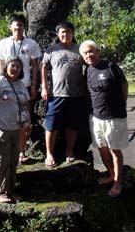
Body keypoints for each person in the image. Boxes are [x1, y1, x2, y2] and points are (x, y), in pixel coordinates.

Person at [79, 39, 128, 198]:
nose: (89, 55)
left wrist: (121, 103)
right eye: (85, 53)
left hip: (114, 117)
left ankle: (118, 182)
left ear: (98, 51)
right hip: (96, 117)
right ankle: (111, 175)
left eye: (91, 51)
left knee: (115, 150)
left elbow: (124, 85)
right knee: (102, 148)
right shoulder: (87, 71)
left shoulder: (111, 67)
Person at [0, 13, 41, 163]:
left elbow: (35, 67)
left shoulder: (31, 44)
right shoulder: (3, 43)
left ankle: (21, 152)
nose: (18, 28)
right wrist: (0, 82)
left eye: (21, 25)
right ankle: (6, 151)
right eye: (15, 25)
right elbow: (0, 63)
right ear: (10, 27)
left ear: (24, 27)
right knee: (6, 119)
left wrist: (34, 87)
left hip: (24, 86)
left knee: (23, 120)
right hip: (6, 86)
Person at [0, 56, 30, 203]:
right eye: (12, 66)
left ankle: (11, 191)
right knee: (2, 161)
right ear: (6, 67)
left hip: (17, 129)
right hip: (1, 128)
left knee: (13, 161)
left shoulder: (21, 85)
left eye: (18, 66)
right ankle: (1, 191)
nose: (15, 69)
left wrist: (27, 123)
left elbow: (25, 104)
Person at [41, 20, 86, 167]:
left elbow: (90, 65)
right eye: (62, 32)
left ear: (73, 33)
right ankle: (49, 153)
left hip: (76, 95)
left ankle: (69, 151)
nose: (65, 34)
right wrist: (44, 87)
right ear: (58, 34)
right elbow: (43, 67)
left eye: (68, 31)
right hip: (56, 95)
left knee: (72, 126)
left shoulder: (80, 50)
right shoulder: (51, 50)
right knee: (51, 125)